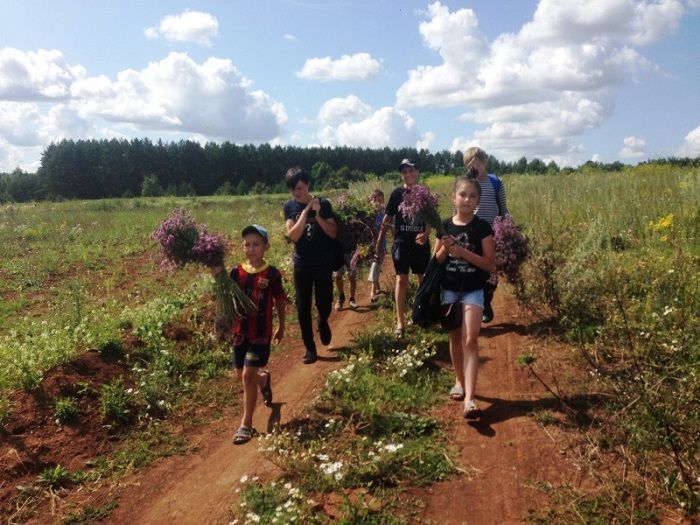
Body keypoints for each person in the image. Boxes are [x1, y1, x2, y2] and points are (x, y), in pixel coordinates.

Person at [434, 177, 495, 419]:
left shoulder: (482, 228)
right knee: (455, 336)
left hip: (473, 290)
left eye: (472, 196)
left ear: (478, 201)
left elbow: (489, 264)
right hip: (450, 290)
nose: (467, 199)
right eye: (463, 194)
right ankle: (459, 381)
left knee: (470, 340)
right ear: (454, 197)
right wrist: (444, 249)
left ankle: (470, 399)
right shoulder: (445, 226)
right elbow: (436, 260)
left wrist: (462, 252)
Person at [221, 224, 286, 445]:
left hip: (261, 335)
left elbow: (279, 301)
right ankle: (264, 379)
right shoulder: (235, 272)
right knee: (242, 376)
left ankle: (246, 425)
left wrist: (282, 326)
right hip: (240, 334)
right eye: (247, 244)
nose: (251, 249)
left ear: (266, 247)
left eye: (256, 244)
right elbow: (225, 295)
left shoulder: (273, 274)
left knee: (247, 376)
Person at [283, 166, 337, 364]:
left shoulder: (324, 204)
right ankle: (310, 349)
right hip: (302, 265)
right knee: (302, 307)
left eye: (300, 188)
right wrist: (306, 211)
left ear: (308, 185)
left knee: (324, 302)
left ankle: (322, 321)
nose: (297, 193)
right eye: (293, 190)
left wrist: (319, 215)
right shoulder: (289, 207)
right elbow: (293, 236)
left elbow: (333, 232)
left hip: (323, 262)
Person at [375, 159, 431, 337]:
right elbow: (388, 219)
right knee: (402, 280)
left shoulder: (424, 193)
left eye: (411, 171)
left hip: (420, 244)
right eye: (405, 172)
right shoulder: (396, 194)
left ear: (417, 172)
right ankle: (400, 321)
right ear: (402, 175)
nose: (408, 175)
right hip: (401, 243)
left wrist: (426, 234)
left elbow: (431, 218)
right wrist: (379, 242)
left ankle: (422, 314)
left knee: (424, 280)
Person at [463, 146, 509, 323]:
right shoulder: (466, 183)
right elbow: (458, 208)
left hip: (493, 233)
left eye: (477, 163)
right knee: (473, 270)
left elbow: (503, 208)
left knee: (492, 271)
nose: (474, 167)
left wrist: (507, 228)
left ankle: (486, 302)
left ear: (484, 162)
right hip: (472, 233)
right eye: (470, 165)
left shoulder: (496, 181)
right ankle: (475, 306)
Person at [367, 189, 386, 303]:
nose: (377, 202)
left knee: (377, 264)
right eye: (375, 200)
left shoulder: (385, 213)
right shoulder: (368, 214)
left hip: (381, 244)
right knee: (375, 264)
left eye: (380, 200)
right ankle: (375, 289)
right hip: (369, 245)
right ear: (370, 201)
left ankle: (374, 289)